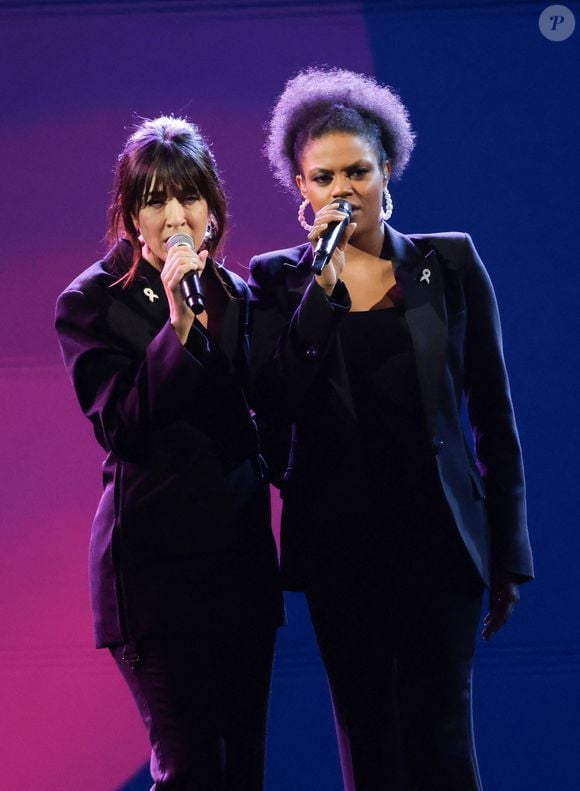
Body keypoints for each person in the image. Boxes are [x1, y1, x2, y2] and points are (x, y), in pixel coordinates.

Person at [248, 68, 534, 791]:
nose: (343, 188)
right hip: (343, 546)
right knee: (370, 740)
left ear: (387, 172)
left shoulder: (449, 262)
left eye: (358, 170)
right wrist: (322, 293)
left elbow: (492, 415)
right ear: (300, 189)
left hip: (442, 541)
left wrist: (508, 551)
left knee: (444, 737)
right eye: (323, 175)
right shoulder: (277, 281)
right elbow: (272, 406)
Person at [55, 116, 283, 791]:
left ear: (213, 212)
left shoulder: (241, 296)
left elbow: (270, 420)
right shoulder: (93, 302)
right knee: (191, 771)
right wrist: (178, 328)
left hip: (239, 564)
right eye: (153, 199)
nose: (173, 215)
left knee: (241, 769)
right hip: (153, 573)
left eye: (188, 197)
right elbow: (122, 422)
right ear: (129, 216)